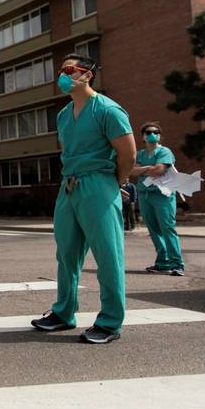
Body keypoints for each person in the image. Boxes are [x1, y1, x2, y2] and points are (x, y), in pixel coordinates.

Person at [31, 54, 135, 344]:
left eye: (69, 70)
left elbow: (128, 153)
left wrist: (117, 182)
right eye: (61, 70)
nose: (62, 76)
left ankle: (110, 322)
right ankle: (64, 313)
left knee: (107, 255)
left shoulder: (108, 110)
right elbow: (67, 150)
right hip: (69, 185)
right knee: (66, 254)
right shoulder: (64, 115)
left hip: (99, 183)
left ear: (87, 75)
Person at [131, 122, 185, 276]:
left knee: (167, 228)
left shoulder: (165, 152)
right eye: (148, 132)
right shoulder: (140, 154)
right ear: (143, 136)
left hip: (163, 195)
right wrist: (149, 169)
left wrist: (144, 169)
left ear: (159, 135)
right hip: (144, 195)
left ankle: (177, 264)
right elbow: (132, 170)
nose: (152, 134)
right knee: (153, 230)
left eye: (155, 132)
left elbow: (159, 170)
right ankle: (162, 263)